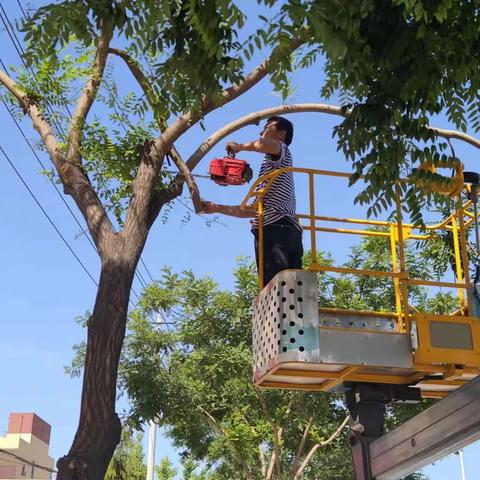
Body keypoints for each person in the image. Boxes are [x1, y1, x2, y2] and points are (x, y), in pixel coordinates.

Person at [202, 116, 303, 287]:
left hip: (277, 231)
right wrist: (215, 208)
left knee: (276, 289)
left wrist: (239, 147)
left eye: (267, 127)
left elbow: (262, 145)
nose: (261, 132)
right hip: (278, 231)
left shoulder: (282, 151)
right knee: (285, 289)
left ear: (281, 134)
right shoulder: (268, 178)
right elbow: (251, 211)